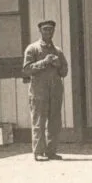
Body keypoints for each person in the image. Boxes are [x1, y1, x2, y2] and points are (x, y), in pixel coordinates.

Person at [22, 20, 69, 161]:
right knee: (39, 122)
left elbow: (65, 72)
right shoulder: (32, 49)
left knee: (54, 122)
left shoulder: (58, 51)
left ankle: (51, 151)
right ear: (40, 31)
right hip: (39, 92)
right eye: (45, 29)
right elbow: (26, 70)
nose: (48, 32)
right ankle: (38, 152)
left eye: (51, 30)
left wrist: (58, 64)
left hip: (55, 91)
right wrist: (44, 62)